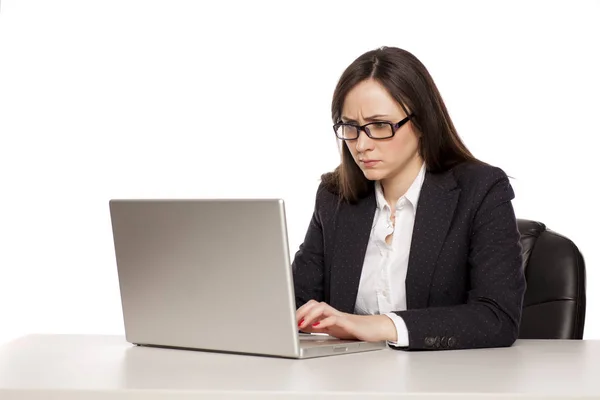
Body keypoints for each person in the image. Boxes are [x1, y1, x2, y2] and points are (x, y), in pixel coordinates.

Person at [292, 46, 526, 351]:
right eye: (350, 127)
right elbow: (295, 301)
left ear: (422, 123)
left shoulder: (480, 190)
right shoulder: (334, 197)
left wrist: (379, 325)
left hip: (444, 381)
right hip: (346, 379)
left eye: (379, 126)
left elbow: (497, 317)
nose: (361, 144)